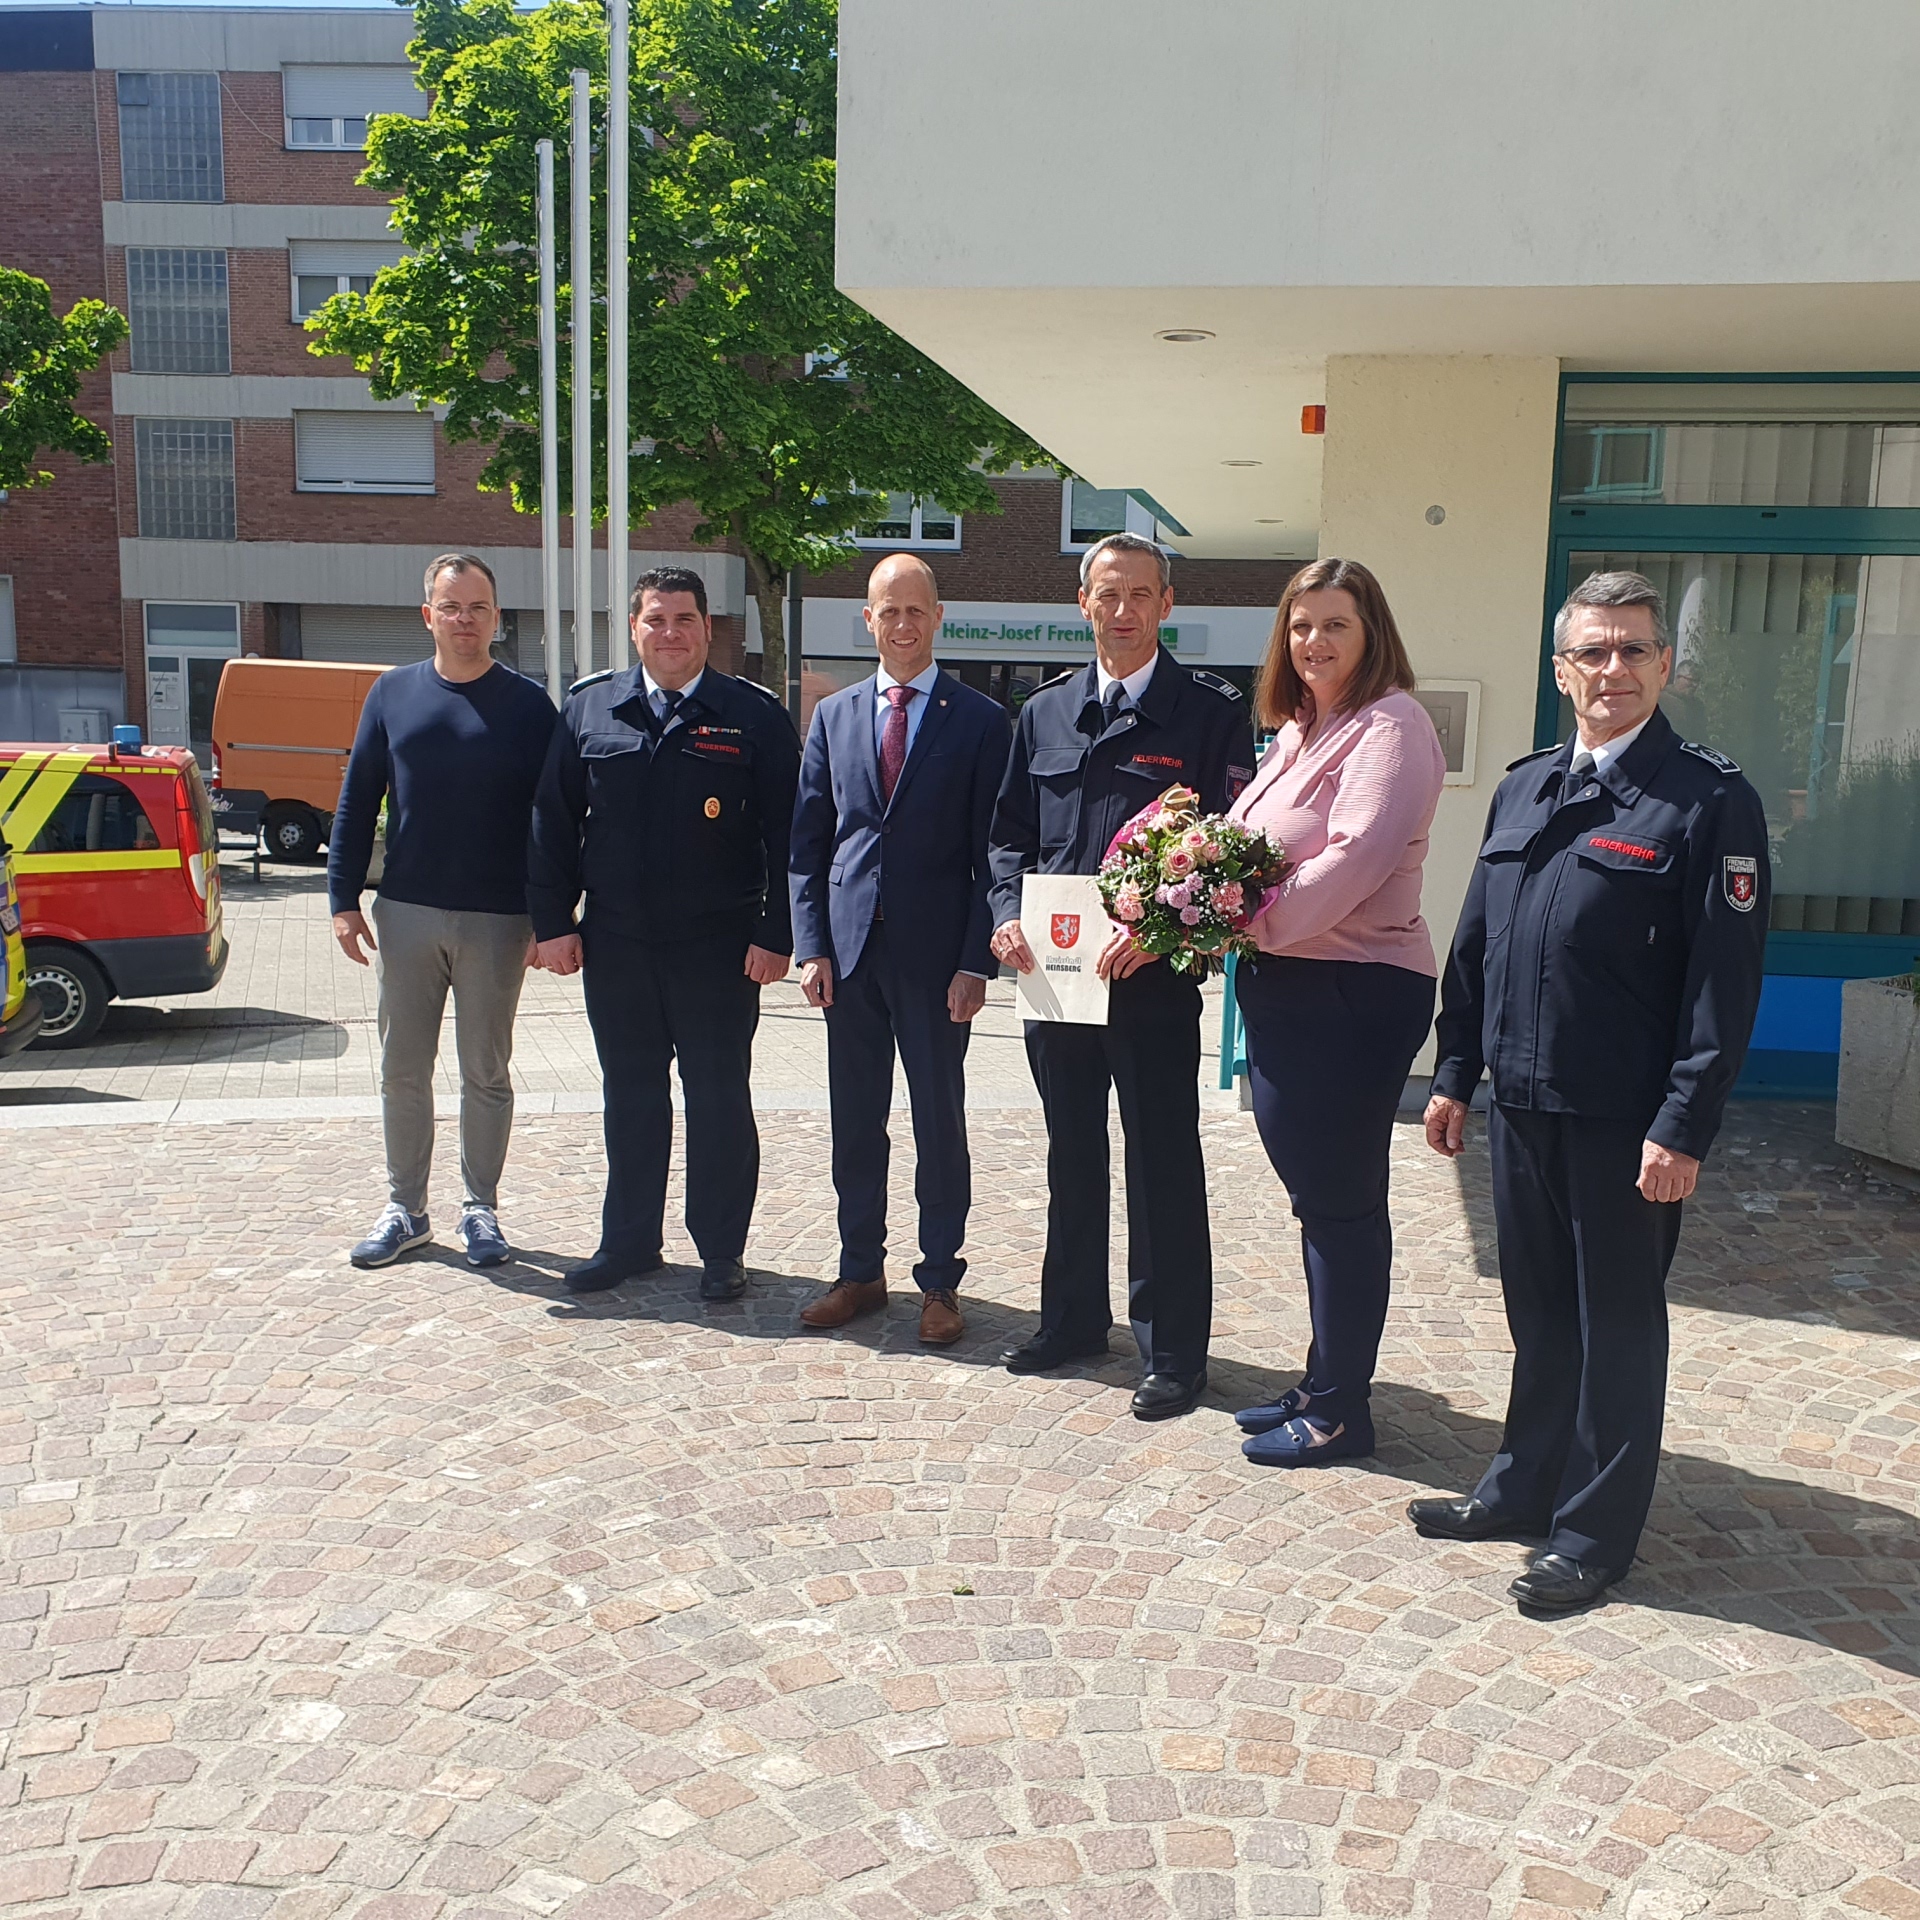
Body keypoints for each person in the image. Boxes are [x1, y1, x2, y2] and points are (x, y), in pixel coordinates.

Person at [1416, 569, 1769, 1613]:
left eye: (1633, 650)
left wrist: (1683, 1123)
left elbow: (1724, 982)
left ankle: (1595, 1536)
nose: (1612, 669)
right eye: (1592, 652)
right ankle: (1522, 1488)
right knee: (1539, 1315)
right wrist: (1455, 1071)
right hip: (1522, 1104)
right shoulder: (1525, 786)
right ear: (1561, 667)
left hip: (1626, 1121)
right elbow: (1480, 946)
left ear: (1665, 665)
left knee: (1616, 1325)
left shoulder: (1707, 801)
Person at [988, 531, 1255, 1420]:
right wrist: (1003, 919)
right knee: (1072, 1151)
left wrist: (1167, 936)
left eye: (1141, 594)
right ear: (1083, 602)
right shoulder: (1044, 712)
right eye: (1108, 594)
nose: (1124, 610)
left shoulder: (1209, 711)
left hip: (1151, 980)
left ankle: (1173, 1351)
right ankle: (1069, 1320)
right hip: (1057, 977)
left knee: (1163, 1159)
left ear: (1167, 604)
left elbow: (1228, 855)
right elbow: (1009, 836)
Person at [526, 566, 800, 1302]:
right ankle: (629, 1242)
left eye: (684, 620)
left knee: (717, 1099)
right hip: (616, 946)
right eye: (655, 620)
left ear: (708, 629)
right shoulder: (591, 711)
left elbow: (791, 834)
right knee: (632, 1096)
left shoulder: (753, 715)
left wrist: (779, 935)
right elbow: (553, 822)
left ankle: (720, 1251)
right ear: (635, 628)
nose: (670, 634)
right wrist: (554, 923)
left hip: (719, 950)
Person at [1225, 559, 1446, 1466]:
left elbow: (1350, 865)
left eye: (1335, 625)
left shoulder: (1391, 727)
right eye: (1301, 624)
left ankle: (1341, 1413)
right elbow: (1247, 841)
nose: (1314, 642)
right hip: (1289, 983)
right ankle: (1326, 1379)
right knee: (1318, 1200)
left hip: (1354, 990)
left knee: (1342, 1204)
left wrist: (1233, 923)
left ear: (1372, 633)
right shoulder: (1301, 729)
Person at [788, 554, 1011, 1345]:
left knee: (938, 1123)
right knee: (857, 1122)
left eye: (917, 610)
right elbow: (809, 842)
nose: (903, 625)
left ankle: (941, 1281)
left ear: (938, 616)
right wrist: (810, 945)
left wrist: (972, 962)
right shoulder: (835, 716)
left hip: (934, 963)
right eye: (889, 611)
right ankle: (860, 1272)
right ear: (868, 620)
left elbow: (993, 853)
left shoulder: (981, 721)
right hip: (848, 960)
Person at [328, 552, 558, 1270]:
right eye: (451, 607)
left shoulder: (528, 707)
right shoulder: (390, 695)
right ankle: (407, 1209)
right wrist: (341, 899)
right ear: (428, 615)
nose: (465, 620)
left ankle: (480, 1209)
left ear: (497, 618)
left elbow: (553, 821)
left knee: (486, 1071)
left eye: (478, 608)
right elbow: (356, 798)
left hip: (498, 921)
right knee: (403, 1067)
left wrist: (550, 918)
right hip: (406, 914)